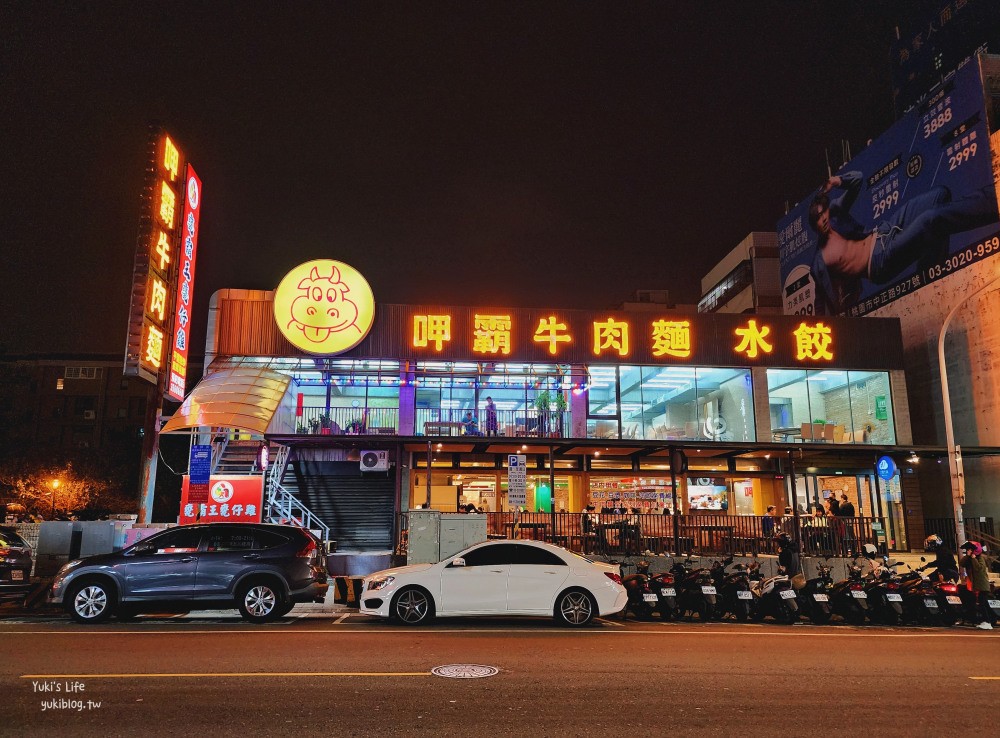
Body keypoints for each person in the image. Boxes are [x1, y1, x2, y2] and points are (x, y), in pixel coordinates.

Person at [807, 172, 998, 313]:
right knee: (930, 220)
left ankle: (929, 277)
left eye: (823, 213)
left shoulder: (836, 214)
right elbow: (821, 302)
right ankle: (994, 202)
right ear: (813, 225)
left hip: (884, 232)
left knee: (940, 195)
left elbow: (858, 179)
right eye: (817, 218)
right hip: (879, 262)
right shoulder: (820, 261)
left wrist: (836, 181)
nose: (823, 219)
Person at [959, 541, 994, 630]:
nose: (969, 550)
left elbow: (978, 568)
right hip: (977, 585)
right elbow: (961, 563)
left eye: (971, 549)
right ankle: (987, 621)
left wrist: (974, 558)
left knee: (982, 603)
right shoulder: (969, 558)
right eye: (968, 549)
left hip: (982, 585)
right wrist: (968, 555)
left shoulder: (980, 558)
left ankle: (988, 622)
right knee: (983, 603)